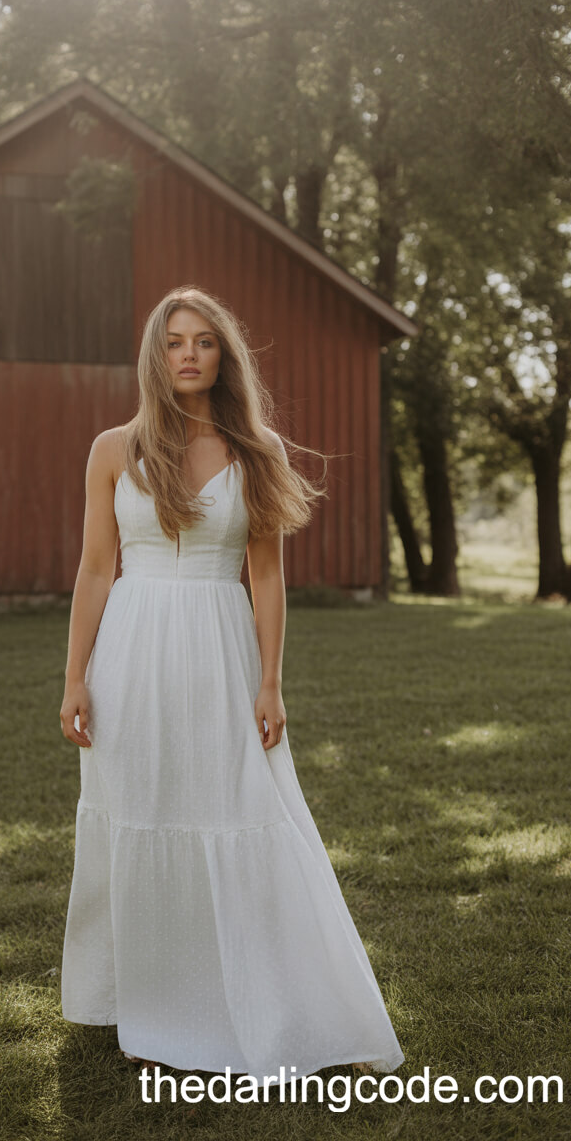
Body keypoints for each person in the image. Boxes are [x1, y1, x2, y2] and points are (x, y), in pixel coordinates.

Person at [58, 286, 404, 1084]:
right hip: (131, 654)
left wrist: (272, 682)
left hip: (220, 647)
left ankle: (276, 1004)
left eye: (204, 342)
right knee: (142, 816)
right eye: (174, 341)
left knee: (243, 814)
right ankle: (150, 1011)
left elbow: (268, 576)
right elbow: (96, 567)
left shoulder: (260, 452)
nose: (188, 354)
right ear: (155, 354)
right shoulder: (114, 448)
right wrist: (75, 676)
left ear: (224, 357)